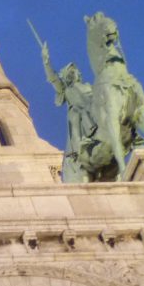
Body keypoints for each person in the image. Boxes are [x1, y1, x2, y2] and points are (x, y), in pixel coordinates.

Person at [41, 43, 94, 183]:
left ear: (78, 73)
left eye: (73, 72)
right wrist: (46, 61)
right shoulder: (65, 90)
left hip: (92, 109)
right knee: (76, 117)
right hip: (78, 113)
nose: (72, 75)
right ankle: (79, 147)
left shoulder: (89, 86)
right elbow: (53, 78)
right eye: (68, 74)